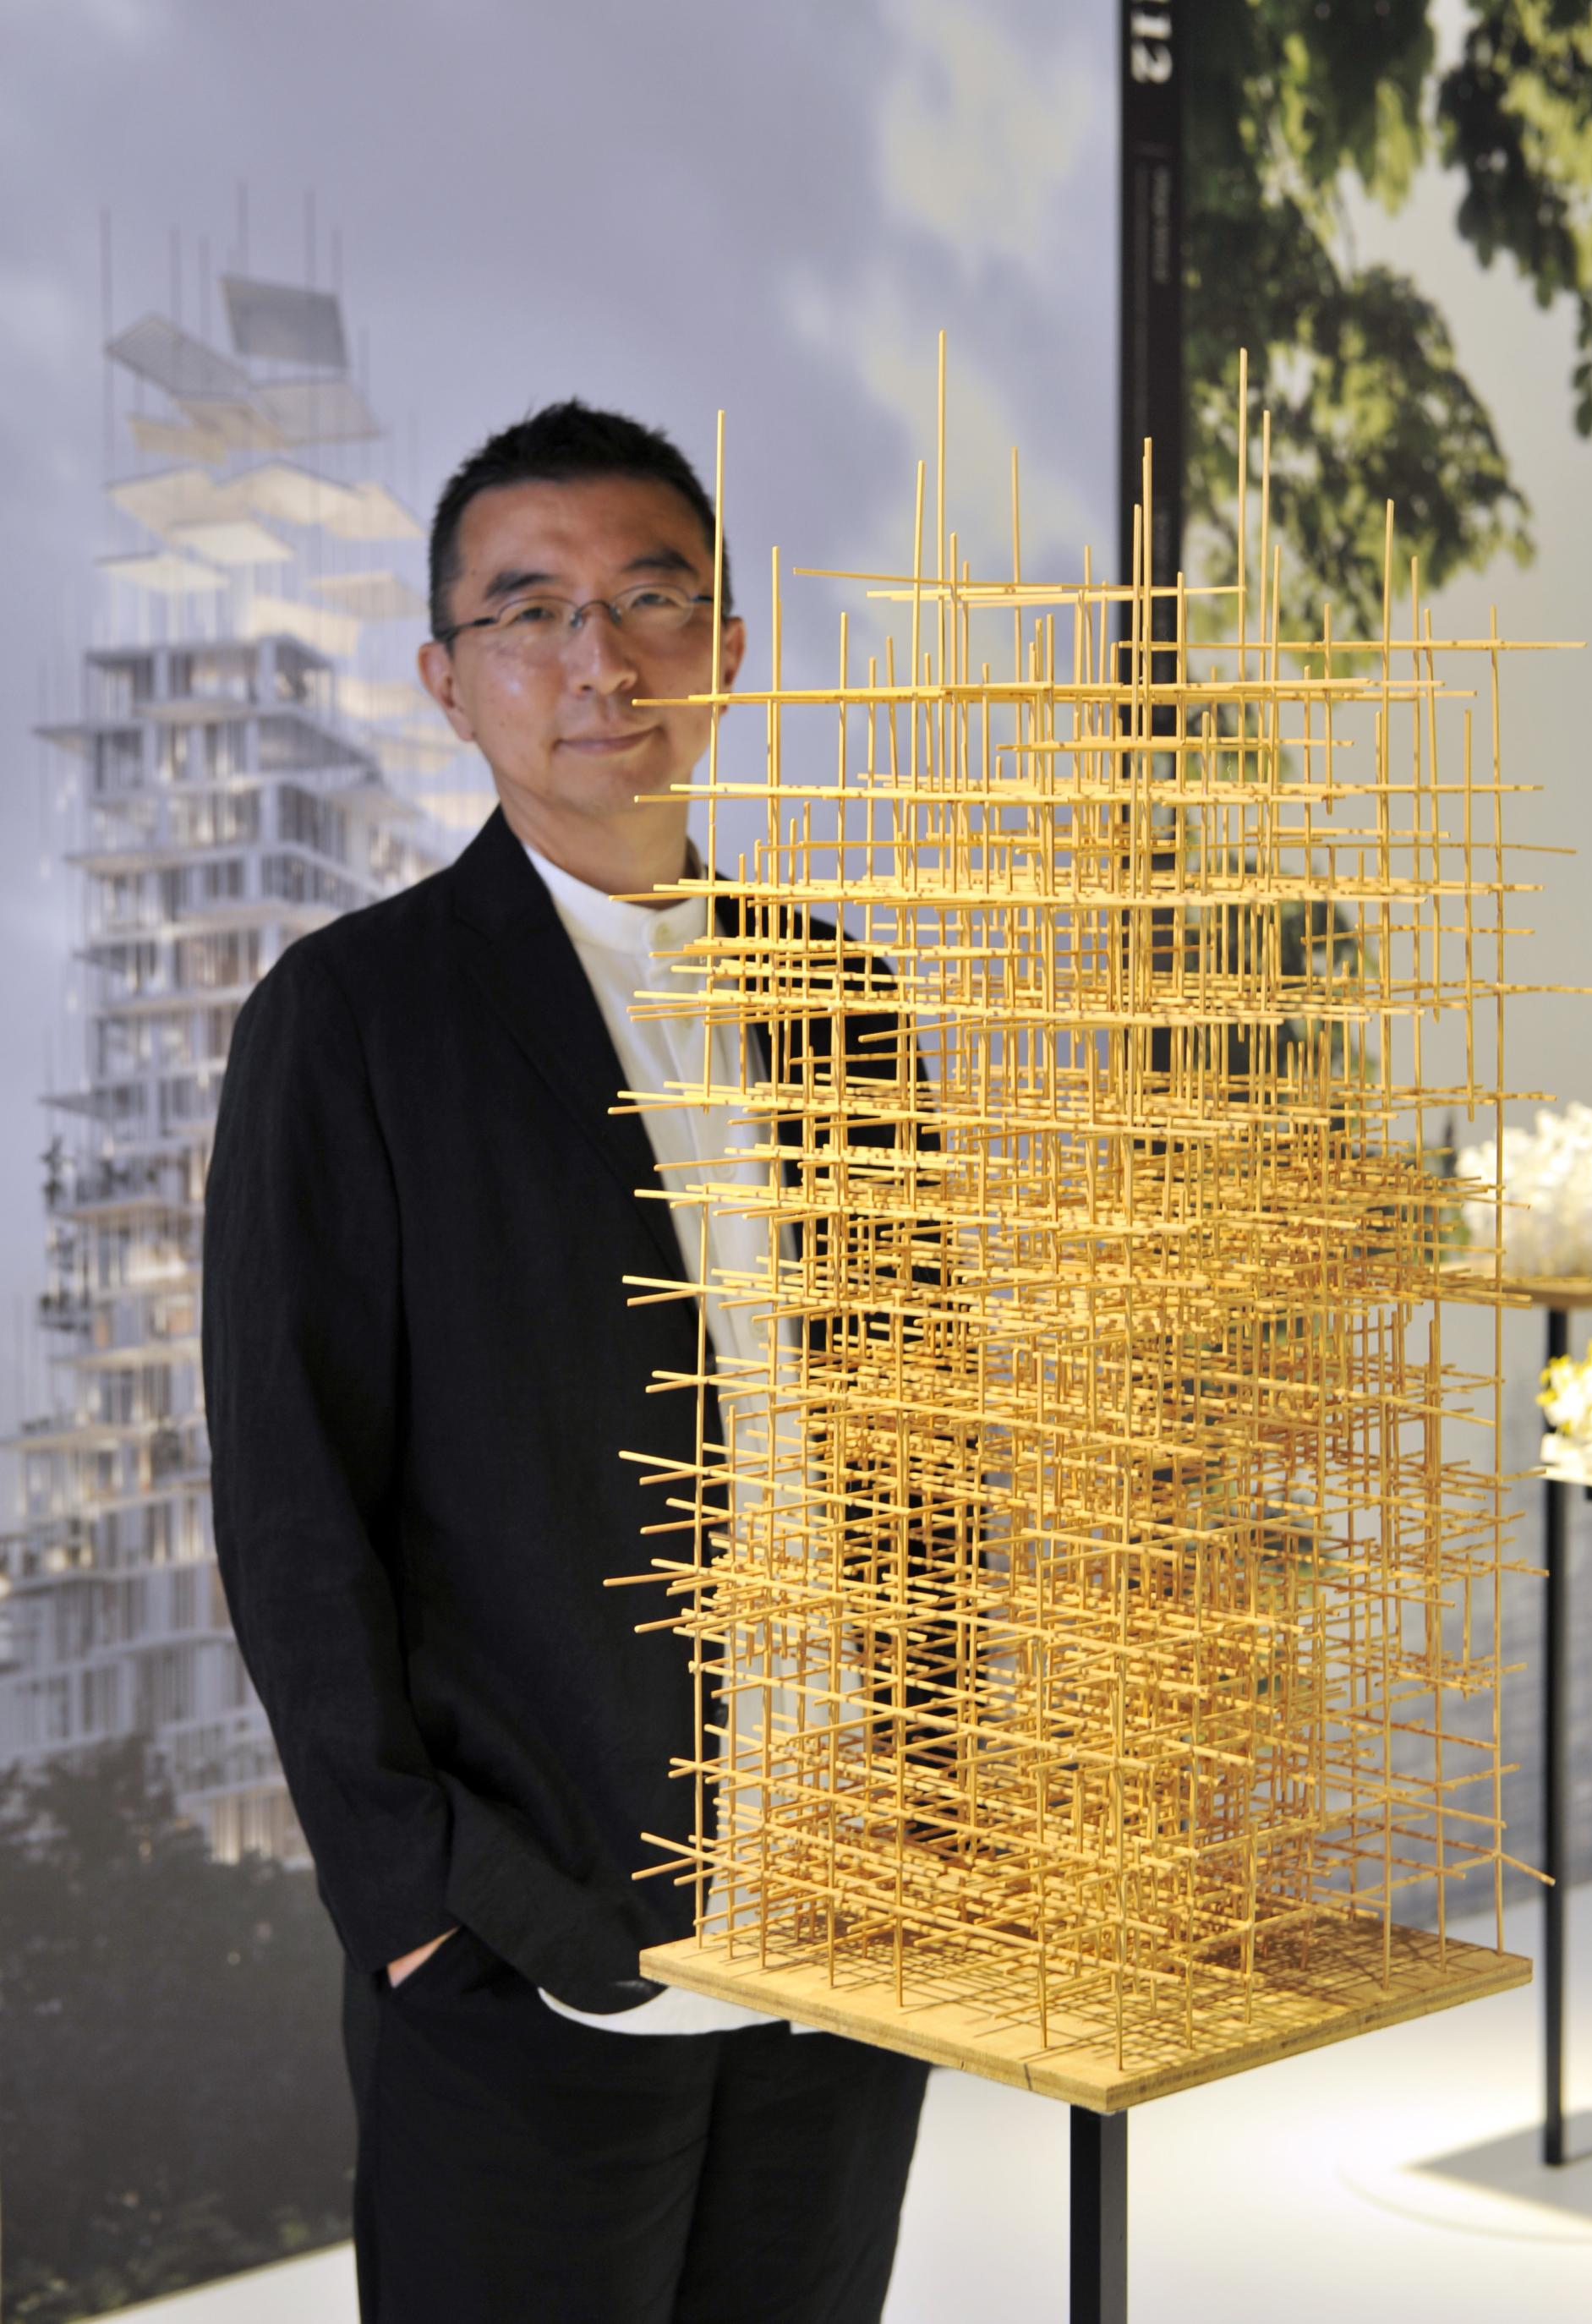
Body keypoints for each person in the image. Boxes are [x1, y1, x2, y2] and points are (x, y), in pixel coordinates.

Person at [201, 402, 929, 2324]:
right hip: (533, 1945)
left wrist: (944, 1809)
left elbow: (926, 1440)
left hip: (850, 1925)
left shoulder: (837, 995)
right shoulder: (351, 1018)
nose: (597, 657)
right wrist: (421, 1913)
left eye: (651, 598)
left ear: (731, 647)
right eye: (529, 610)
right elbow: (294, 1510)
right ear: (448, 682)